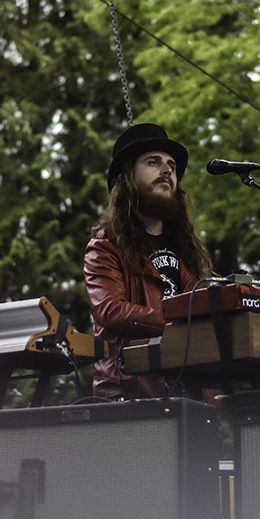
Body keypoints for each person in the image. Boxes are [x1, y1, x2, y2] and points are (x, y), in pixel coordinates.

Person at [84, 123, 212, 399]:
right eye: (153, 162)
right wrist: (182, 321)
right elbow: (110, 310)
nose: (167, 170)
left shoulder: (186, 250)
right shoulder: (106, 246)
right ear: (127, 178)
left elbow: (205, 310)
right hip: (133, 394)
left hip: (192, 393)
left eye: (172, 166)